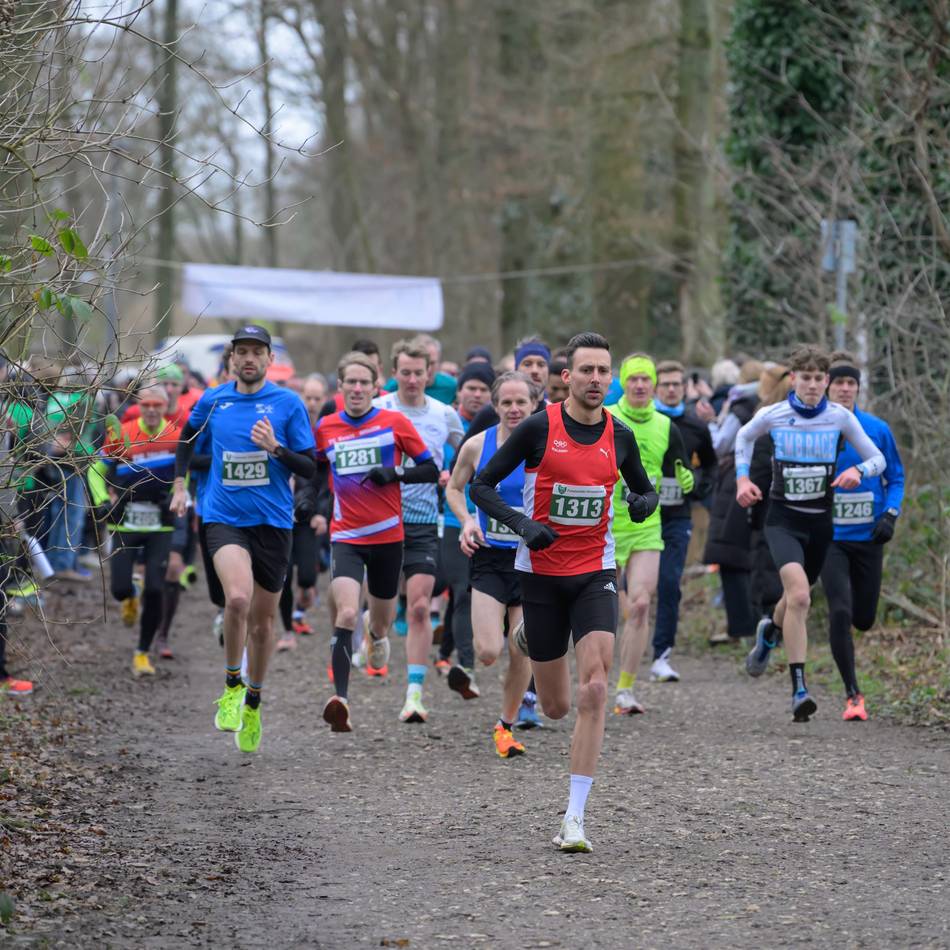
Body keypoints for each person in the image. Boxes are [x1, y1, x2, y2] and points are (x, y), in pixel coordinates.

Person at [471, 332, 657, 853]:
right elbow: (480, 486)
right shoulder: (537, 427)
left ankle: (574, 818)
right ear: (566, 377)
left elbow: (642, 489)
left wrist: (645, 501)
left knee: (595, 689)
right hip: (541, 573)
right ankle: (530, 636)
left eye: (604, 371)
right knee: (555, 707)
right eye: (587, 371)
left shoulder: (620, 435)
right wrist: (523, 524)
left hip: (596, 570)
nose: (597, 380)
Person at [171, 326, 317, 753]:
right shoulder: (214, 399)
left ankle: (254, 699)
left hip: (272, 522)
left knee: (264, 622)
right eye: (242, 352)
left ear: (269, 359)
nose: (249, 359)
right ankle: (232, 683)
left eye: (257, 352)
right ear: (232, 358)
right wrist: (181, 484)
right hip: (223, 516)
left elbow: (308, 467)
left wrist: (275, 448)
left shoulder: (288, 404)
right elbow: (185, 440)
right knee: (236, 599)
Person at [736, 344, 885, 722]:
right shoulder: (774, 414)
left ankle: (770, 630)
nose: (814, 385)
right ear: (794, 379)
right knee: (801, 597)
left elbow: (876, 458)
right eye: (807, 378)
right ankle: (799, 689)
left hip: (820, 523)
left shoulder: (839, 418)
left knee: (794, 598)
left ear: (827, 381)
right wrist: (741, 480)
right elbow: (743, 438)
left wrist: (859, 472)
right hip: (782, 520)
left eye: (820, 378)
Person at [316, 351, 438, 732]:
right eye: (349, 382)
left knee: (381, 623)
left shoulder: (394, 422)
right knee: (347, 614)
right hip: (346, 536)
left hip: (388, 537)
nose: (356, 389)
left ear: (375, 387)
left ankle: (377, 635)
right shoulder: (326, 427)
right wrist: (312, 502)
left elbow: (430, 469)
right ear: (340, 387)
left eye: (363, 383)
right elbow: (316, 471)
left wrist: (394, 472)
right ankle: (342, 700)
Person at [447, 371, 539, 757]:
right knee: (487, 651)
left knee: (523, 649)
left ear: (535, 404)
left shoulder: (548, 446)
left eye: (522, 402)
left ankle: (506, 725)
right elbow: (453, 487)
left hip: (532, 561)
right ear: (496, 406)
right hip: (490, 558)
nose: (515, 409)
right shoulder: (476, 445)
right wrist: (467, 520)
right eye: (507, 403)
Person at [373, 340, 464, 719]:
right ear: (394, 374)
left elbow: (465, 452)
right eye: (405, 372)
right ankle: (373, 630)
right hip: (379, 520)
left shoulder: (445, 414)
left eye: (418, 372)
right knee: (379, 607)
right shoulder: (379, 409)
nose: (412, 379)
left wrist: (452, 474)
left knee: (421, 605)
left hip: (425, 521)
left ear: (430, 373)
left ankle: (414, 694)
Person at [820, 352, 904, 721]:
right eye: (838, 382)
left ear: (858, 388)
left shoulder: (877, 429)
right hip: (830, 537)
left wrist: (890, 513)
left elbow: (896, 478)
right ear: (827, 386)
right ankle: (853, 694)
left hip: (869, 536)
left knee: (864, 618)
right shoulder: (816, 428)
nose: (844, 389)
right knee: (839, 610)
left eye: (851, 383)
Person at [607, 355, 692, 711]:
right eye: (633, 379)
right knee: (602, 611)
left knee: (641, 604)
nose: (640, 385)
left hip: (647, 525)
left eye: (646, 379)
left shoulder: (666, 425)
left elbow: (680, 469)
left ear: (654, 384)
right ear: (624, 383)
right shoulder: (606, 418)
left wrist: (687, 479)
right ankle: (592, 677)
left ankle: (625, 689)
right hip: (606, 524)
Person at [101, 385, 182, 676]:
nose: (150, 409)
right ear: (139, 405)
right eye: (145, 404)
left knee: (157, 589)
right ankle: (131, 593)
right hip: (125, 520)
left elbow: (185, 474)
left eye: (156, 405)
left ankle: (142, 653)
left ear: (164, 406)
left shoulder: (175, 435)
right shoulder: (122, 431)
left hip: (160, 523)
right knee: (120, 589)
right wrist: (101, 499)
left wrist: (175, 493)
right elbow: (96, 469)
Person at [652, 360, 716, 676]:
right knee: (633, 588)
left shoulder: (695, 426)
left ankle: (661, 654)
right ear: (655, 388)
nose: (672, 389)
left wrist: (697, 489)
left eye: (677, 383)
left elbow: (712, 464)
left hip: (677, 514)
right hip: (638, 517)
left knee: (668, 583)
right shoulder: (642, 421)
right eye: (666, 384)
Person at [383, 334, 458, 405]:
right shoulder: (391, 388)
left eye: (432, 363)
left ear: (439, 362)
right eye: (406, 373)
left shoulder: (452, 386)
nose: (429, 368)